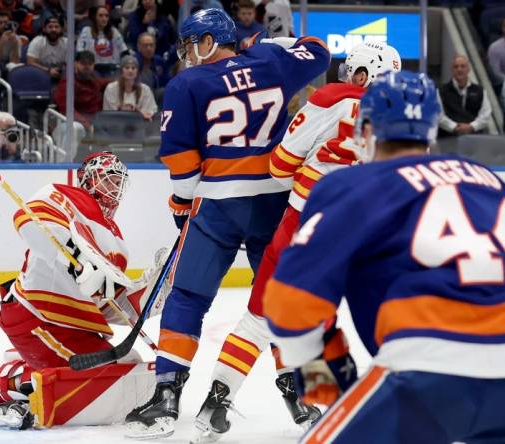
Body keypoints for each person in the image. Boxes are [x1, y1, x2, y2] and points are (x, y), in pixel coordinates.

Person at [264, 70, 505, 444]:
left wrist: (317, 369)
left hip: (427, 368)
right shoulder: (487, 179)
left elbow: (289, 304)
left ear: (366, 129)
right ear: (432, 131)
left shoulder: (349, 184)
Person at [124, 9, 330, 439]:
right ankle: (302, 397)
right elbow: (319, 52)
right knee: (282, 300)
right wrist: (267, 45)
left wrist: (181, 201)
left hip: (216, 206)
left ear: (212, 40)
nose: (187, 52)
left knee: (188, 297)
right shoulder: (271, 63)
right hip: (274, 202)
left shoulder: (185, 85)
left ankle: (167, 395)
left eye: (193, 41)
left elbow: (182, 164)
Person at [189, 41, 401, 442]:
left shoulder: (331, 98)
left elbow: (281, 163)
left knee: (258, 318)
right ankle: (325, 406)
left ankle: (215, 404)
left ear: (358, 74)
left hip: (303, 223)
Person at [0, 152, 171, 429]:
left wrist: (156, 291)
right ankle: (9, 383)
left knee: (129, 366)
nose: (114, 189)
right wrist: (75, 259)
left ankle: (26, 371)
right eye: (108, 180)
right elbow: (28, 219)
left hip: (73, 328)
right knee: (118, 380)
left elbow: (110, 306)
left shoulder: (117, 243)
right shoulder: (68, 197)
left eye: (119, 182)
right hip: (37, 316)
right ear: (87, 179)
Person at [438, 55, 492, 139]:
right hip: (448, 139)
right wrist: (455, 127)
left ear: (468, 69)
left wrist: (471, 127)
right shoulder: (441, 91)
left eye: (463, 66)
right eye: (456, 67)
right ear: (452, 70)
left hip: (474, 139)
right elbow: (438, 115)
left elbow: (485, 114)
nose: (459, 69)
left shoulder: (480, 91)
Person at [53, 51, 109, 129]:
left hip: (97, 120)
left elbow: (107, 82)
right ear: (75, 64)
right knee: (77, 128)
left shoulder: (94, 80)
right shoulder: (67, 83)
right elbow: (67, 110)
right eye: (83, 63)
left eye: (90, 64)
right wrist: (86, 124)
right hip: (75, 123)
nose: (87, 67)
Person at [103, 55, 158, 120]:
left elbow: (149, 113)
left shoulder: (145, 89)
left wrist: (137, 111)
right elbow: (109, 114)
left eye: (133, 68)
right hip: (117, 126)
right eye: (127, 68)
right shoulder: (111, 88)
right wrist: (121, 110)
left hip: (140, 126)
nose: (130, 71)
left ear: (137, 71)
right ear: (121, 71)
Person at [77, 6, 129, 73]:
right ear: (94, 17)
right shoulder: (86, 31)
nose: (104, 19)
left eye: (106, 16)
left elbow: (124, 50)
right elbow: (80, 51)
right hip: (93, 69)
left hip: (112, 68)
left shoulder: (114, 31)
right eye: (100, 16)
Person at [26, 15, 68, 82]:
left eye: (56, 27)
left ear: (62, 29)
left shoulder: (67, 43)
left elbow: (70, 64)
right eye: (50, 27)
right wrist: (48, 70)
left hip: (61, 77)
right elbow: (30, 62)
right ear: (44, 29)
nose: (53, 29)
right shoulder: (37, 41)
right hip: (39, 76)